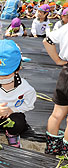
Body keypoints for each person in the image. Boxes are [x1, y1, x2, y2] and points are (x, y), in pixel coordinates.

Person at [0, 40, 37, 148]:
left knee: (18, 123)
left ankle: (12, 134)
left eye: (6, 75)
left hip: (10, 116)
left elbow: (29, 104)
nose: (0, 78)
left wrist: (12, 110)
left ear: (18, 70)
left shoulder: (25, 88)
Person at [43, 23, 68, 155]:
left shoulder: (66, 28)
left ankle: (52, 149)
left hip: (66, 74)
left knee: (57, 114)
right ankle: (66, 154)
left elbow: (47, 41)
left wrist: (58, 60)